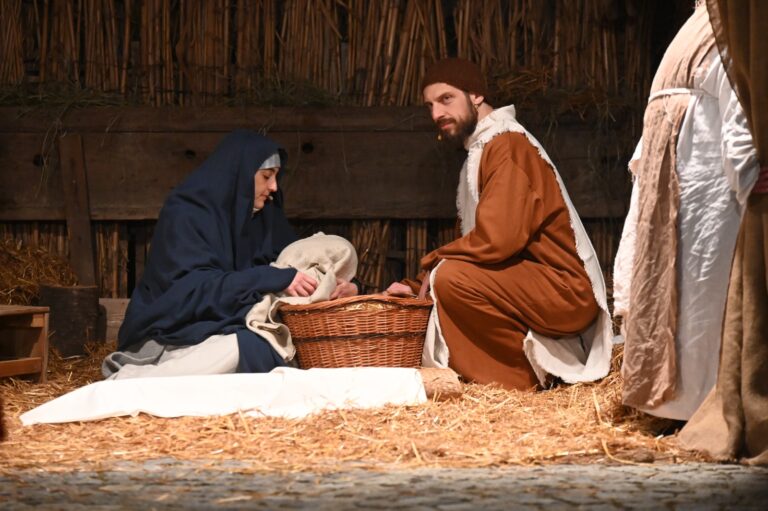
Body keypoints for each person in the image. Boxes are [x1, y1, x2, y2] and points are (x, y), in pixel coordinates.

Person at [387, 58, 614, 391]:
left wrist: (431, 266)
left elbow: (498, 240)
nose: (436, 114)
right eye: (430, 105)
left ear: (476, 95)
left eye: (446, 99)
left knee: (451, 278)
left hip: (563, 289)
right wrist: (418, 283)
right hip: (531, 282)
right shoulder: (483, 148)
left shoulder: (507, 144)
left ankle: (525, 379)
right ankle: (518, 373)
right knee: (447, 279)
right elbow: (482, 245)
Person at [103, 130, 358, 379]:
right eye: (266, 176)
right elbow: (189, 292)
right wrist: (269, 277)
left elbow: (293, 264)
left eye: (276, 177)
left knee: (265, 347)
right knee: (242, 348)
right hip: (175, 328)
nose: (273, 187)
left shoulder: (266, 217)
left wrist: (343, 286)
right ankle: (140, 380)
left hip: (230, 323)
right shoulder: (186, 214)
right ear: (240, 175)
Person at [612, 4, 759, 421]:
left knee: (680, 281)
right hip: (704, 168)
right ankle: (706, 405)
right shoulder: (733, 26)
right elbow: (741, 109)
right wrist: (750, 170)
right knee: (705, 284)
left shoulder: (697, 28)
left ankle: (669, 401)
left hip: (681, 165)